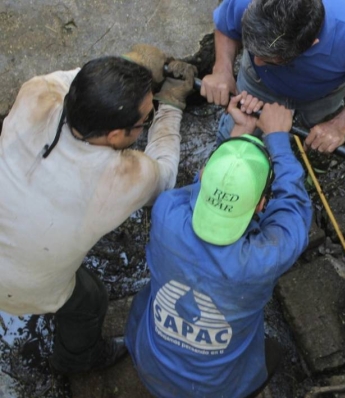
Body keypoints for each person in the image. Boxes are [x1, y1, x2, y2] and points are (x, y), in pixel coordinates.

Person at [0, 45, 197, 374]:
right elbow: (164, 175)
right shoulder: (123, 178)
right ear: (117, 134)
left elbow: (78, 83)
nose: (145, 122)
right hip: (21, 286)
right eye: (143, 120)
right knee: (89, 301)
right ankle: (78, 361)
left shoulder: (35, 94)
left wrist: (129, 66)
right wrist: (171, 106)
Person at [125, 94, 312, 398]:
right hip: (215, 392)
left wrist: (238, 133)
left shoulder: (166, 214)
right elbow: (293, 210)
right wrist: (278, 140)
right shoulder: (261, 260)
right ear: (262, 205)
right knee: (273, 352)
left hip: (150, 367)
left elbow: (203, 186)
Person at [200, 0, 345, 153]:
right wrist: (222, 71)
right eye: (254, 51)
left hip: (322, 96)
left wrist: (339, 125)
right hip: (258, 86)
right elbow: (226, 26)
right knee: (233, 132)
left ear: (312, 44)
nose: (256, 62)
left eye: (269, 59)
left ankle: (304, 152)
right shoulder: (247, 1)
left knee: (315, 139)